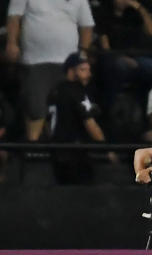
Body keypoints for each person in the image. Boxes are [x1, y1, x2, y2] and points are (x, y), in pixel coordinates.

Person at [7, 0, 94, 141]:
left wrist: (83, 53)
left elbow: (87, 26)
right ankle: (33, 149)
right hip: (35, 60)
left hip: (67, 64)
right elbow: (14, 18)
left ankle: (59, 149)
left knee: (66, 108)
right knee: (35, 107)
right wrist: (12, 43)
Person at [46, 52, 107, 184]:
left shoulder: (55, 90)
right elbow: (90, 124)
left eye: (89, 70)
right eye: (83, 70)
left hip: (56, 151)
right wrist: (106, 149)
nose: (88, 74)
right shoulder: (77, 92)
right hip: (74, 153)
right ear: (71, 71)